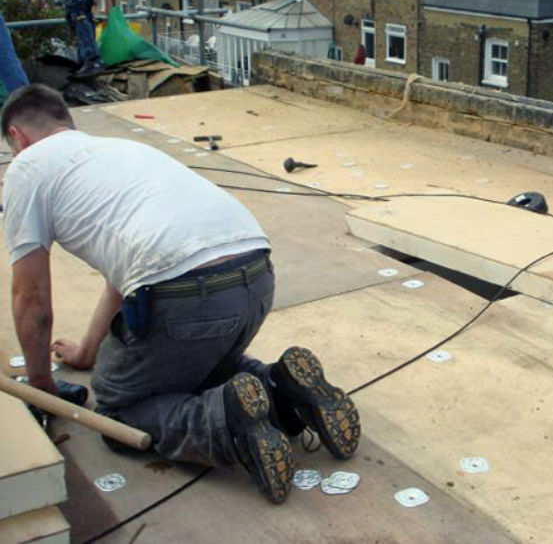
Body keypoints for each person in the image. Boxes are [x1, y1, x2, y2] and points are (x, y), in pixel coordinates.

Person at [1, 84, 361, 503]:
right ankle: (283, 391)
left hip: (185, 294)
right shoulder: (120, 151)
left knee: (117, 407)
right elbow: (122, 279)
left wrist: (42, 382)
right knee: (194, 358)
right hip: (256, 273)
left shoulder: (27, 168)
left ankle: (229, 427)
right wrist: (86, 351)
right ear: (67, 122)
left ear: (17, 136)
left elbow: (30, 297)